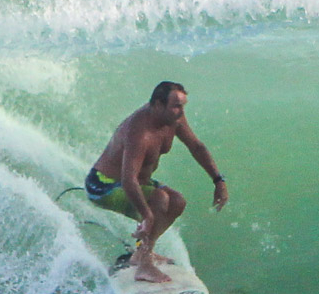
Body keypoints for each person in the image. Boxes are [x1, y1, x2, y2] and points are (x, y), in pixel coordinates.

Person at [84, 81, 228, 283]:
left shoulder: (173, 119)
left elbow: (196, 147)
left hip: (137, 182)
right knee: (159, 199)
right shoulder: (140, 131)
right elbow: (128, 179)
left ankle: (141, 254)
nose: (181, 112)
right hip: (103, 185)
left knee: (177, 201)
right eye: (176, 106)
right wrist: (146, 215)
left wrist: (218, 180)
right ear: (158, 105)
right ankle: (144, 265)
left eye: (182, 106)